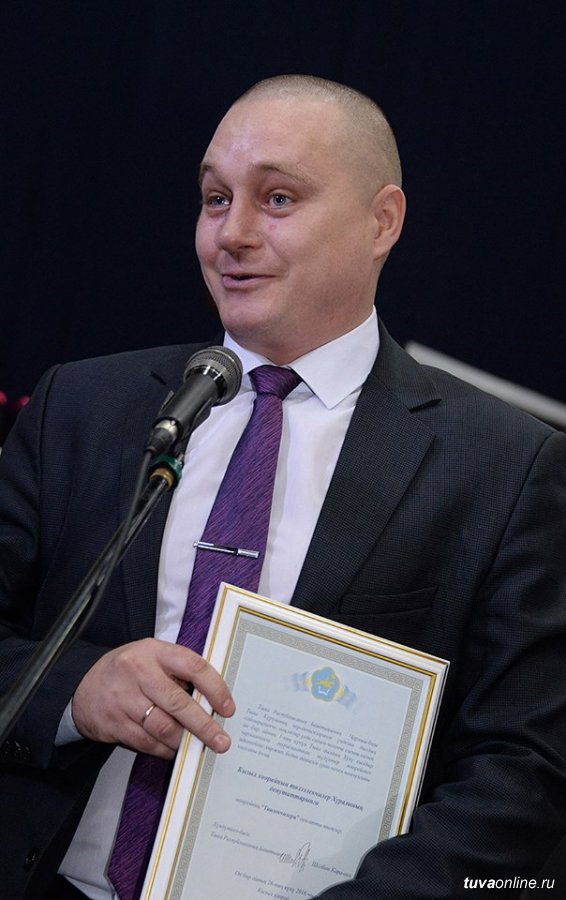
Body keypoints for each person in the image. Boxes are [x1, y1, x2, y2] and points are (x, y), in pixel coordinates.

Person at [1, 74, 565, 900]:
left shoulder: (504, 465)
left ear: (382, 221)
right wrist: (74, 690)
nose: (231, 234)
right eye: (214, 198)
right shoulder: (82, 408)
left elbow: (526, 767)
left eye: (277, 199)